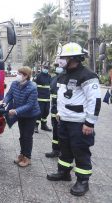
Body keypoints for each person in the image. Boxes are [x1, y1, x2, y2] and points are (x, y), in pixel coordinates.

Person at [47, 42, 101, 196]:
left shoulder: (88, 75)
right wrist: (59, 113)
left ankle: (83, 181)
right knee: (65, 149)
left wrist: (89, 123)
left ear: (73, 58)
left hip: (80, 123)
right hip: (64, 120)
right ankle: (64, 172)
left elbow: (94, 100)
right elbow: (63, 97)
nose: (60, 60)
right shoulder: (63, 75)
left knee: (80, 151)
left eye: (63, 57)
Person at [1, 67, 40, 167]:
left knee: (27, 136)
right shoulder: (15, 84)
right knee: (22, 136)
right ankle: (22, 155)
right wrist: (4, 102)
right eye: (17, 73)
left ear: (26, 76)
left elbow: (30, 105)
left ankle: (28, 158)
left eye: (19, 73)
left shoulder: (32, 87)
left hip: (31, 115)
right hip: (21, 114)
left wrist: (16, 111)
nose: (17, 75)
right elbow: (9, 95)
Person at [45, 63, 64, 158]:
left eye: (59, 66)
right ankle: (55, 150)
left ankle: (64, 152)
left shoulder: (66, 78)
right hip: (54, 109)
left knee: (62, 132)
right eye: (56, 66)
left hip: (62, 111)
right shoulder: (53, 78)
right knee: (55, 131)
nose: (57, 68)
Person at [34, 63, 52, 133]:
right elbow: (33, 85)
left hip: (47, 99)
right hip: (39, 98)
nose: (46, 69)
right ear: (42, 68)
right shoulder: (38, 76)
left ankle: (43, 126)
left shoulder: (49, 76)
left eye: (47, 68)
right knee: (39, 113)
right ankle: (35, 126)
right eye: (45, 67)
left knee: (46, 112)